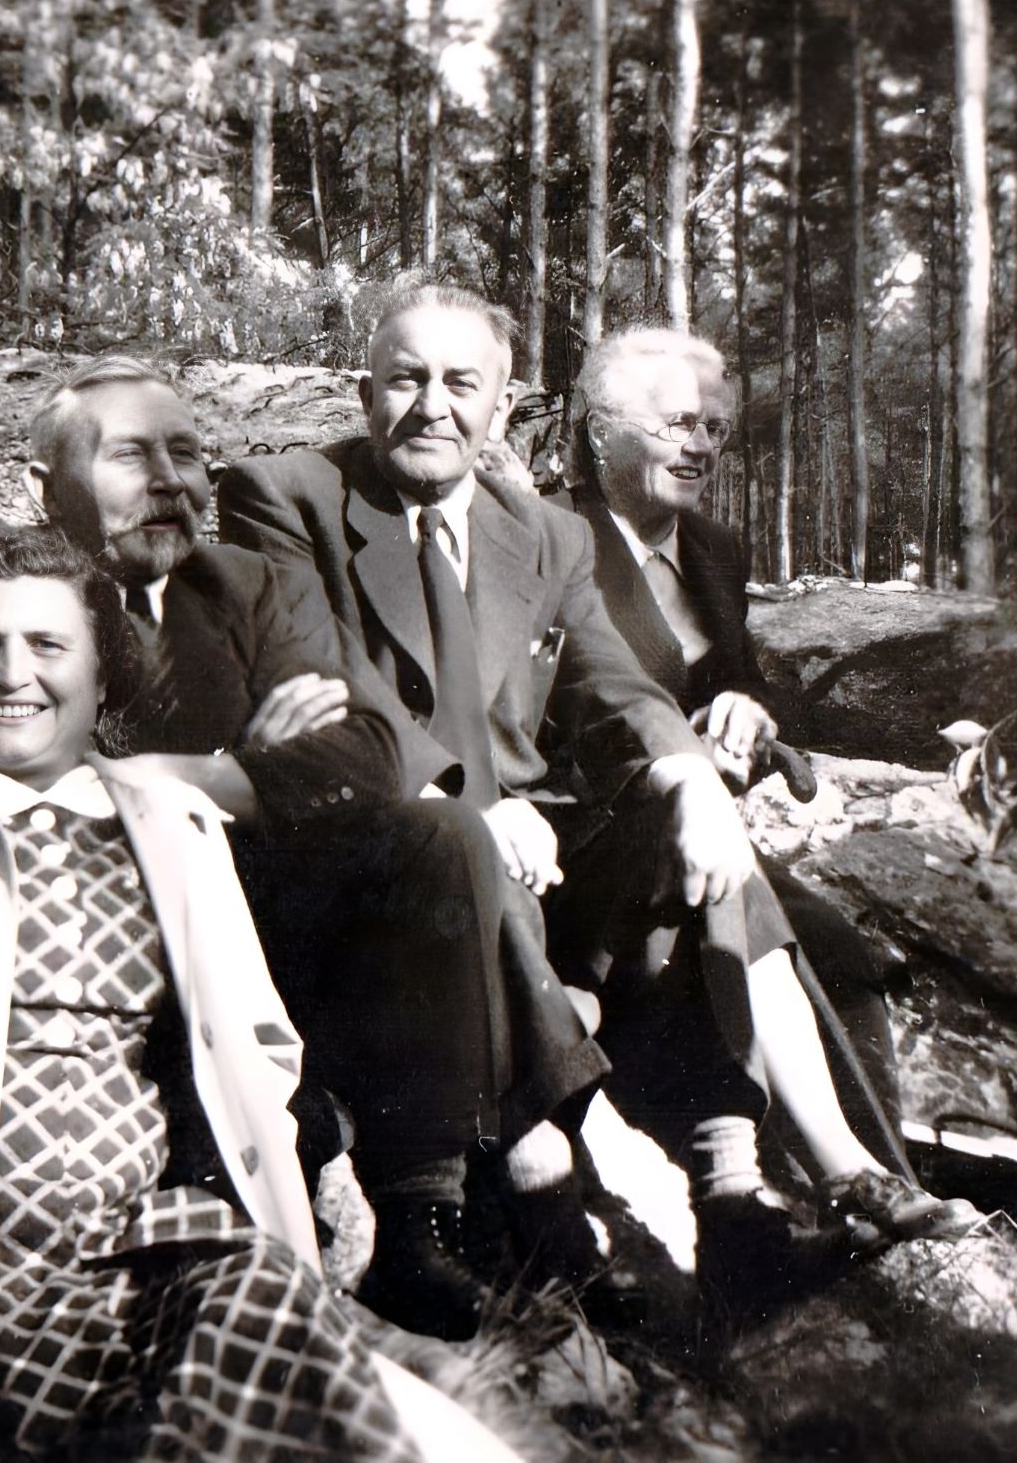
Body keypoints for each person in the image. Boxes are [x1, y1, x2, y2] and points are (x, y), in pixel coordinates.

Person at [216, 284, 972, 1311]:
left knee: (690, 825)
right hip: (389, 859)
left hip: (536, 868)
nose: (431, 405)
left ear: (500, 406)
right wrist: (463, 796)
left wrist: (682, 770)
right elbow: (317, 681)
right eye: (405, 378)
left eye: (460, 382)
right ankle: (540, 1185)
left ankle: (749, 1198)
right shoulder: (283, 495)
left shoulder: (536, 535)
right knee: (459, 844)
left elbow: (612, 683)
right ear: (364, 390)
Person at [0, 521, 516, 1463]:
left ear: (103, 677)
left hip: (147, 1246)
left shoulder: (169, 826)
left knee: (283, 1350)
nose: (11, 675)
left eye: (48, 646)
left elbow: (258, 1043)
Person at [21, 356, 608, 1340]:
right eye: (131, 455)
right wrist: (249, 757)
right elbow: (33, 759)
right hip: (108, 940)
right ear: (41, 487)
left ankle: (421, 1210)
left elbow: (370, 747)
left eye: (187, 453)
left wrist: (207, 776)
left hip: (271, 923)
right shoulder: (15, 598)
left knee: (436, 828)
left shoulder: (241, 580)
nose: (171, 480)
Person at [559, 324, 959, 1208]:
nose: (699, 445)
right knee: (716, 925)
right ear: (598, 430)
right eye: (676, 425)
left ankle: (884, 1177)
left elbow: (736, 675)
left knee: (836, 948)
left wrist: (745, 710)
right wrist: (676, 760)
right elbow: (553, 709)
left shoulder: (716, 553)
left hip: (699, 829)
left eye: (714, 429)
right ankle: (804, 1181)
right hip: (586, 838)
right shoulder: (548, 539)